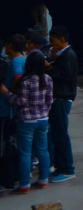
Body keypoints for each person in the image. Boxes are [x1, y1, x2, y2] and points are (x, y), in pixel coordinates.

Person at [0, 52, 53, 193]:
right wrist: (44, 112)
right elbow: (49, 100)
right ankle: (43, 180)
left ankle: (24, 185)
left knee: (25, 153)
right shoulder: (47, 79)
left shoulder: (26, 81)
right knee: (43, 151)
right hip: (43, 119)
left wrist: (6, 92)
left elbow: (20, 102)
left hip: (26, 121)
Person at [45, 26, 76, 183]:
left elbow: (64, 76)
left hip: (62, 98)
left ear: (62, 40)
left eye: (53, 40)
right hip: (58, 98)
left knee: (61, 134)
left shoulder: (68, 55)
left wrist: (48, 67)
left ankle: (68, 169)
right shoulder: (62, 54)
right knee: (56, 134)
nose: (51, 44)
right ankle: (59, 167)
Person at [0, 35, 26, 189]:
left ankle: (7, 179)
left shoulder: (16, 61)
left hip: (8, 110)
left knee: (6, 145)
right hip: (14, 110)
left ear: (10, 45)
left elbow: (17, 77)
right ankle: (16, 175)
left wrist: (10, 93)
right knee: (14, 144)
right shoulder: (23, 59)